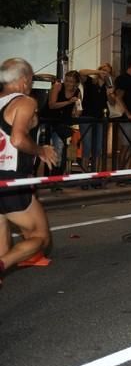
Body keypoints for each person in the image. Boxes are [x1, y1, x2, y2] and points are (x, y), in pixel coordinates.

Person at [0, 58, 58, 284]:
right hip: (11, 181)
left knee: (4, 249)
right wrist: (41, 150)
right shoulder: (25, 101)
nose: (31, 85)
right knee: (41, 238)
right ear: (24, 80)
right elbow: (17, 139)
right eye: (31, 80)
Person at [77, 64, 115, 171]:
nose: (105, 73)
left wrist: (109, 94)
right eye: (104, 71)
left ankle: (96, 172)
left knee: (98, 148)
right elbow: (81, 71)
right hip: (87, 117)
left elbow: (112, 103)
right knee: (87, 146)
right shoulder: (90, 82)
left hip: (101, 118)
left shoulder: (109, 86)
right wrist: (97, 72)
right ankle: (85, 173)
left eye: (108, 72)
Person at [45, 70, 81, 175]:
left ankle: (57, 177)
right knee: (55, 149)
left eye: (71, 81)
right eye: (67, 80)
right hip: (49, 121)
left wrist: (77, 110)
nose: (68, 83)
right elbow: (51, 105)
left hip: (63, 123)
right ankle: (51, 177)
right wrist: (68, 102)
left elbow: (77, 110)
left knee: (62, 151)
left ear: (76, 83)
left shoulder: (77, 91)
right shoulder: (57, 86)